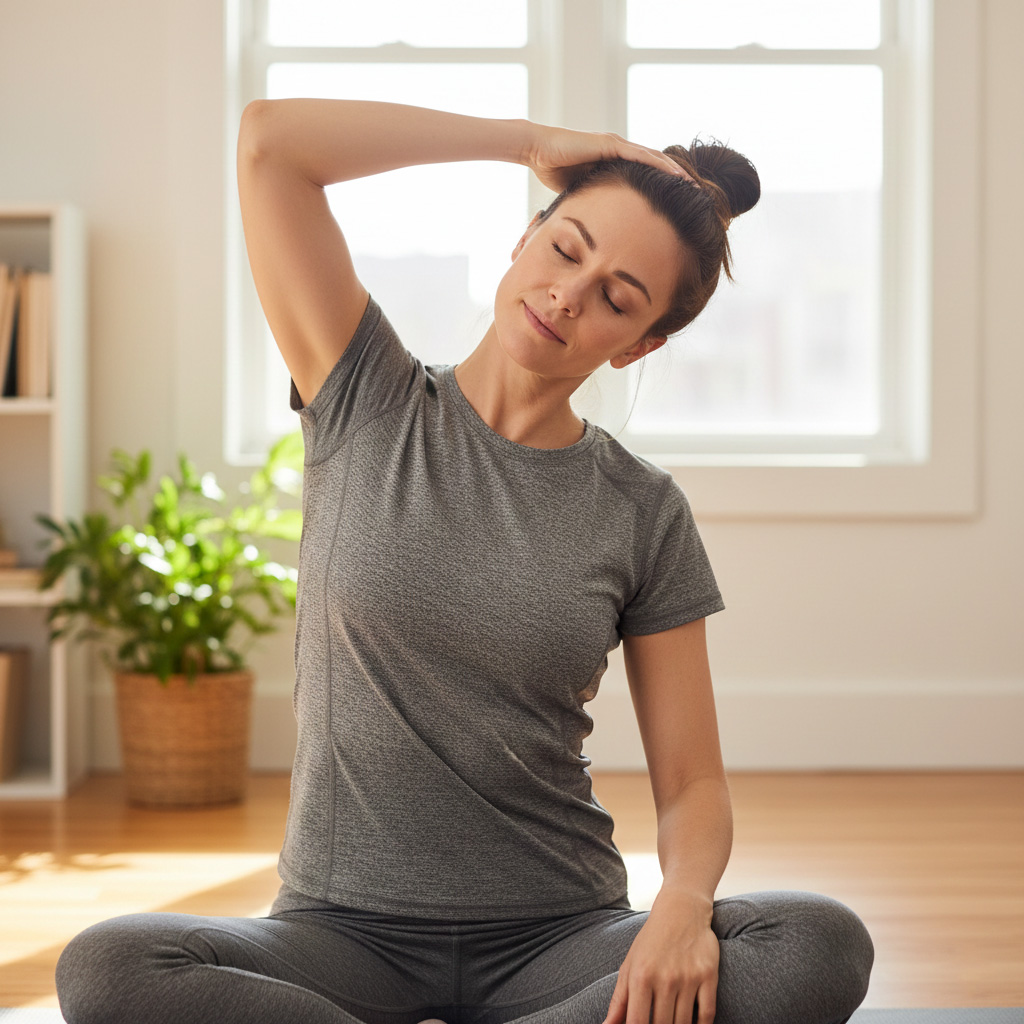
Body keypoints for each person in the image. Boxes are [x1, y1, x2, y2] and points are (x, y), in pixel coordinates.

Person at [54, 100, 874, 1024]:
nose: (571, 293)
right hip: (340, 936)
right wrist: (527, 143)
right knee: (111, 967)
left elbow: (691, 783)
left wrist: (680, 909)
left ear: (640, 343)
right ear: (525, 239)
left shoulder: (644, 509)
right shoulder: (364, 394)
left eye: (618, 295)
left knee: (815, 940)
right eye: (567, 250)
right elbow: (271, 146)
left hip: (560, 939)